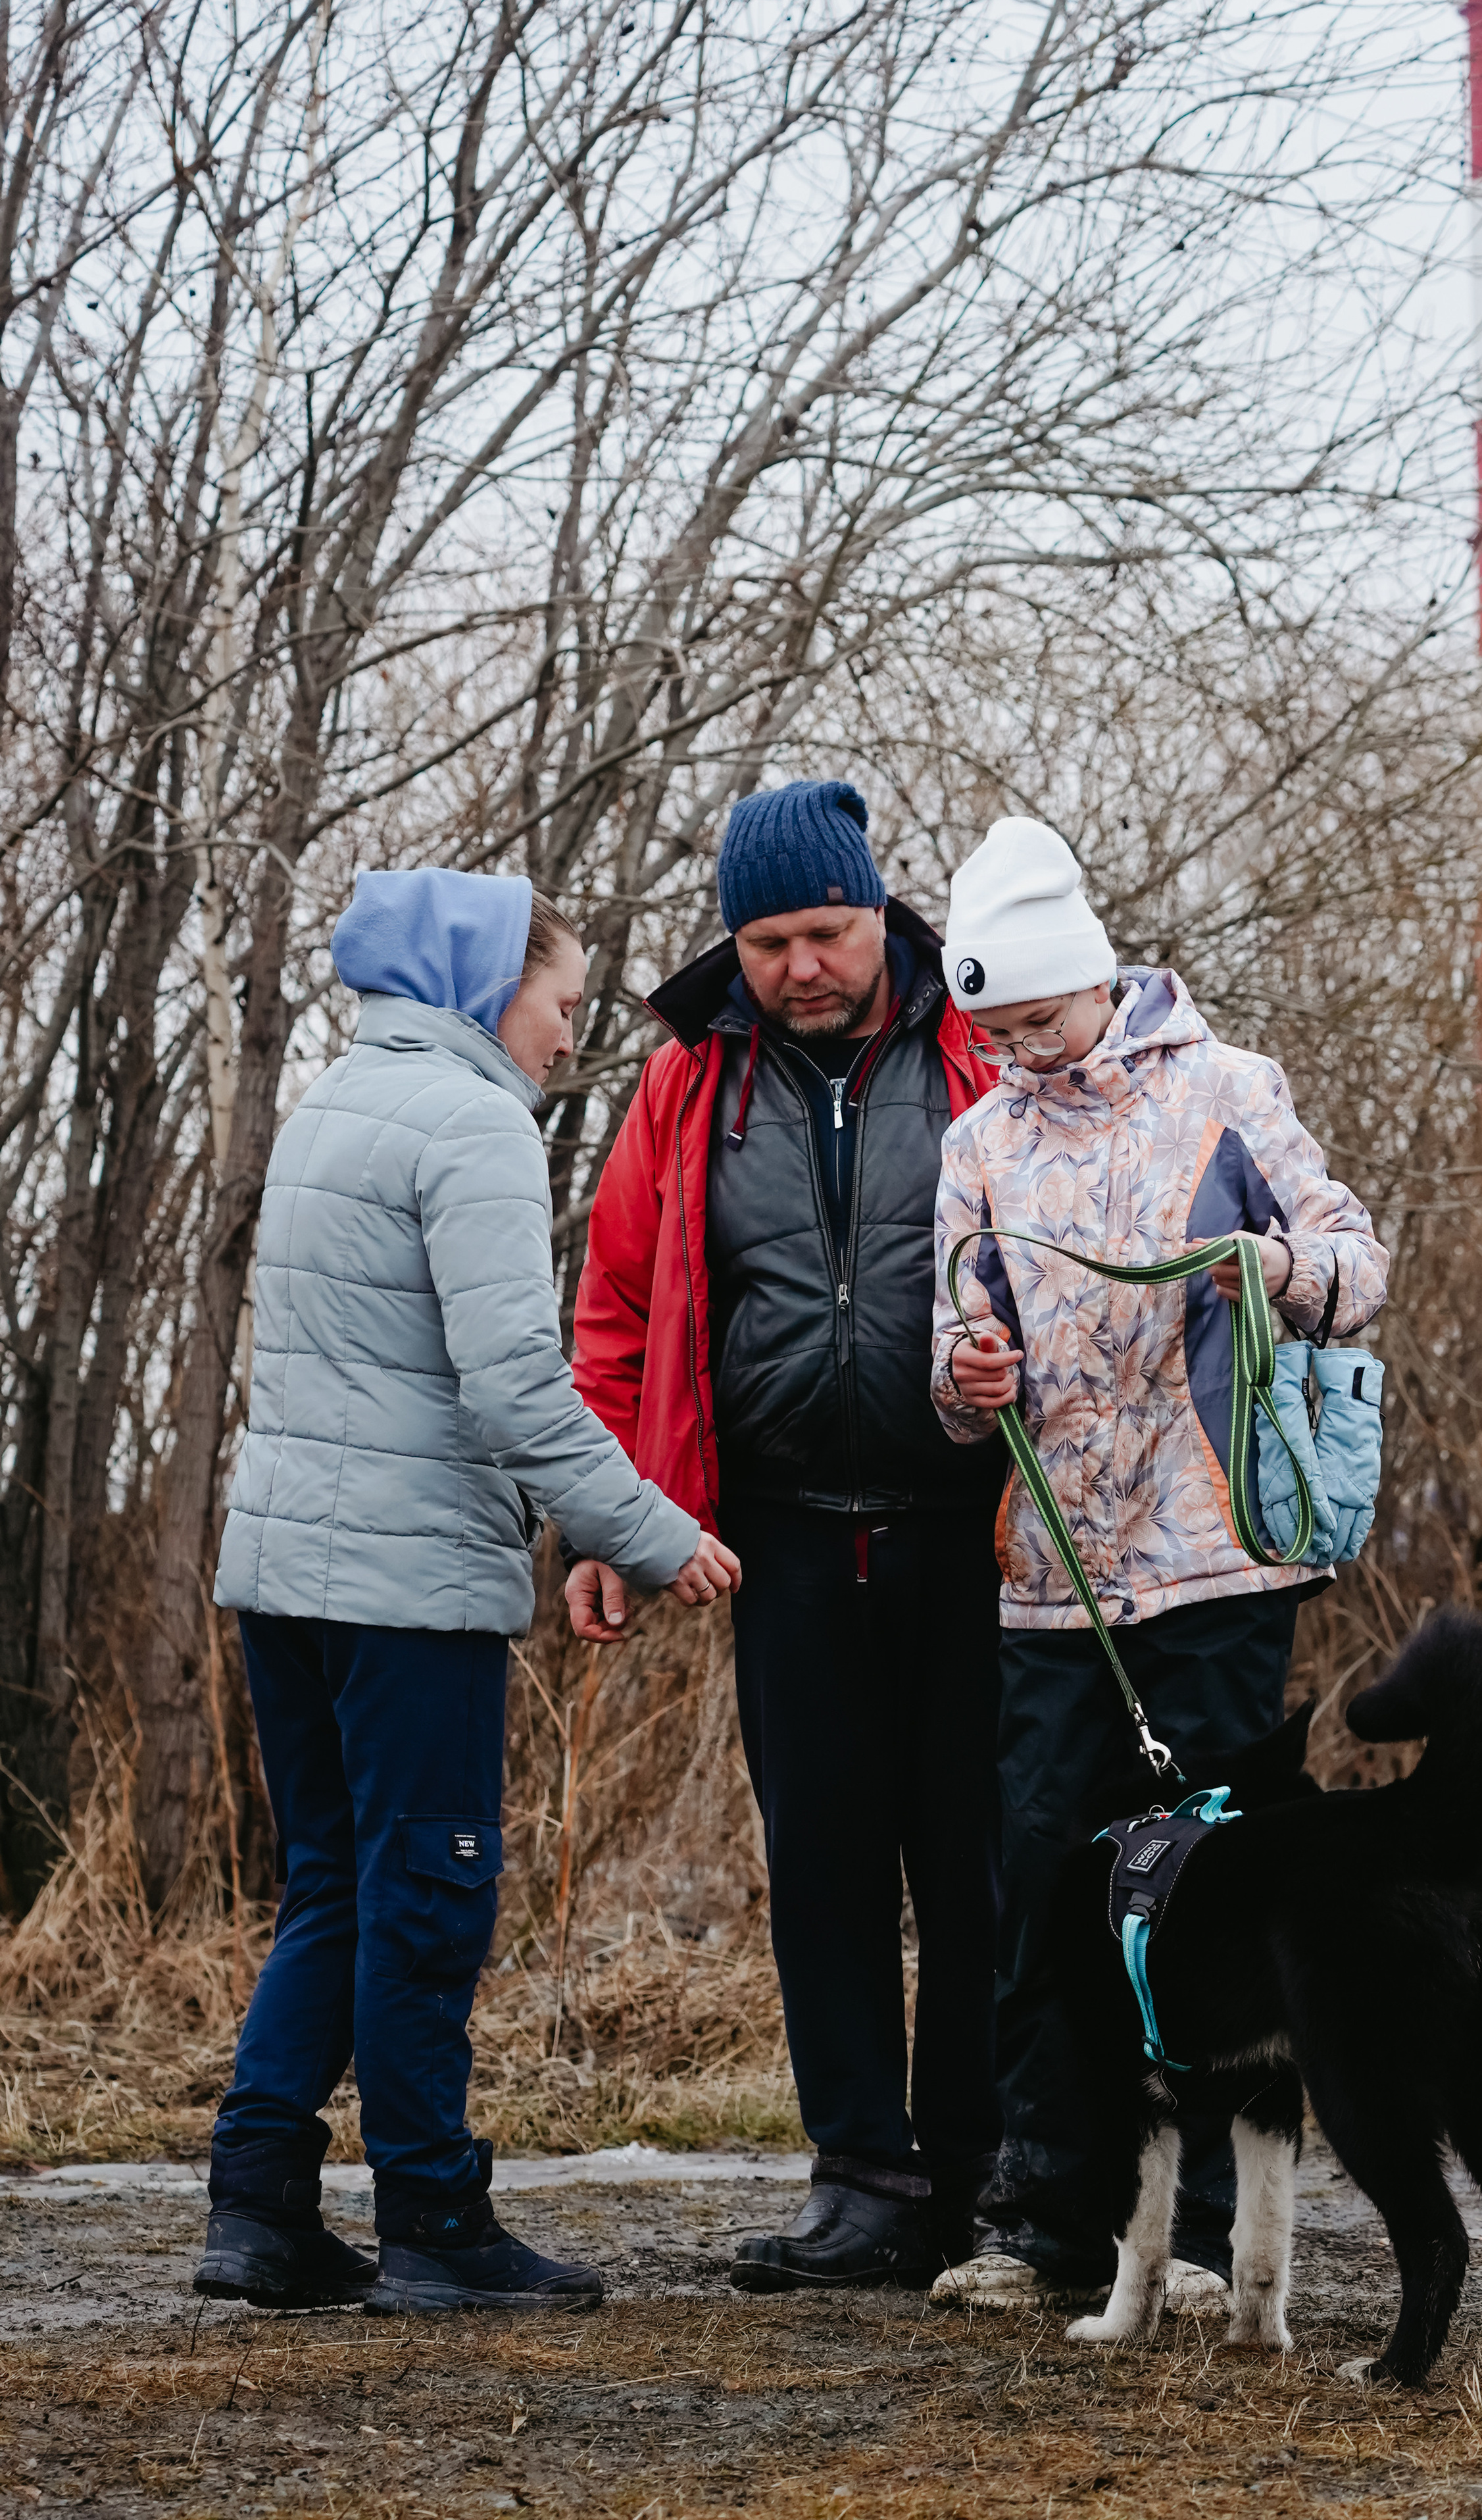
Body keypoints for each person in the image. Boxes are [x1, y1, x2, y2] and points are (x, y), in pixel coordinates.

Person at [197, 867, 737, 2317]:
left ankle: (255, 2208)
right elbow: (513, 1389)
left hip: (286, 1581)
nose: (567, 1040)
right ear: (491, 986)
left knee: (333, 1886)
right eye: (562, 1005)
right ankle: (434, 2221)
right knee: (430, 1896)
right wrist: (645, 1531)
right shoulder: (474, 1118)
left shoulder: (333, 1103)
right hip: (405, 1591)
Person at [925, 817, 1389, 2309]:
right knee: (1041, 1908)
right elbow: (951, 1345)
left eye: (1039, 1017)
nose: (1021, 1046)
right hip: (1050, 1586)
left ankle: (1194, 2238)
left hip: (1215, 1575)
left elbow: (1355, 1264)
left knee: (1202, 1904)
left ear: (1096, 981)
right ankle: (1037, 2221)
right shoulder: (976, 1142)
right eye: (991, 1025)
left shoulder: (1228, 1090)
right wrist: (965, 1378)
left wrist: (1279, 1269)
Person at [566, 779, 1005, 2289]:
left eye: (826, 931)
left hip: (973, 1529)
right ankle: (865, 2183)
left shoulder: (979, 1049)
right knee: (820, 1864)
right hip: (780, 1541)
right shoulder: (687, 1084)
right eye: (767, 943)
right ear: (732, 945)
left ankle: (978, 2173)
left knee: (977, 1867)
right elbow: (615, 1313)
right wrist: (606, 1524)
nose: (801, 967)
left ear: (878, 912)